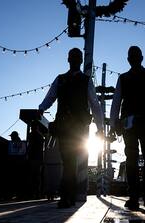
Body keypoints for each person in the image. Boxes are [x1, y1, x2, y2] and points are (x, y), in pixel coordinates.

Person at [38, 48, 104, 208]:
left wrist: (40, 109)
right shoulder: (73, 80)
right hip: (70, 127)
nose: (74, 61)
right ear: (75, 60)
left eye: (75, 58)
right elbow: (94, 104)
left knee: (69, 161)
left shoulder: (68, 80)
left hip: (75, 128)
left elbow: (50, 98)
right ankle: (69, 196)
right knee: (69, 161)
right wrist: (40, 109)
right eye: (74, 58)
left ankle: (67, 196)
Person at [110, 46, 145, 210]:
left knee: (135, 158)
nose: (134, 59)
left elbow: (116, 103)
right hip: (141, 121)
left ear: (130, 59)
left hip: (135, 121)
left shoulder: (125, 78)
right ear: (140, 58)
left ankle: (137, 196)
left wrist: (114, 123)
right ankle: (144, 196)